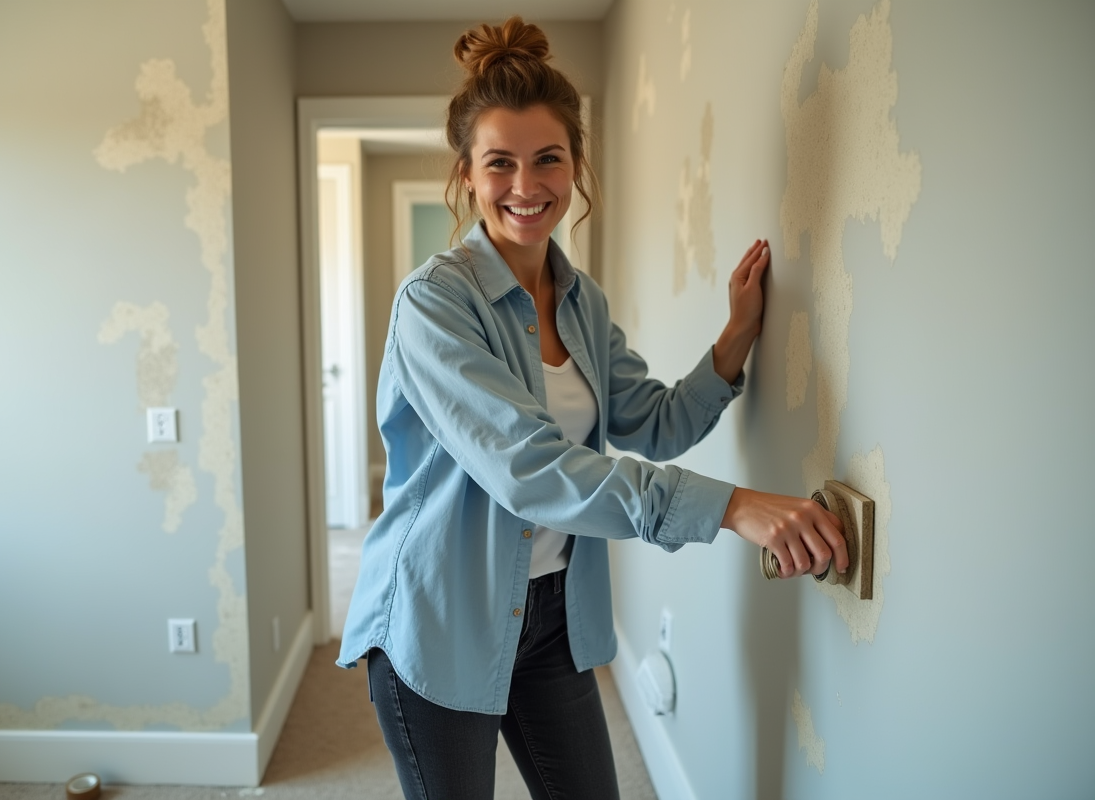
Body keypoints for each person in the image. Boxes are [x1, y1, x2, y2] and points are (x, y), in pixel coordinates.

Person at [337, 17, 848, 800]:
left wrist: (738, 336)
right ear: (467, 175)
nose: (526, 186)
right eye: (500, 163)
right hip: (439, 619)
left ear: (576, 163)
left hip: (552, 617)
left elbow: (658, 423)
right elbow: (531, 470)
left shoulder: (581, 302)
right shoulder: (433, 305)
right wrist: (733, 506)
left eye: (548, 158)